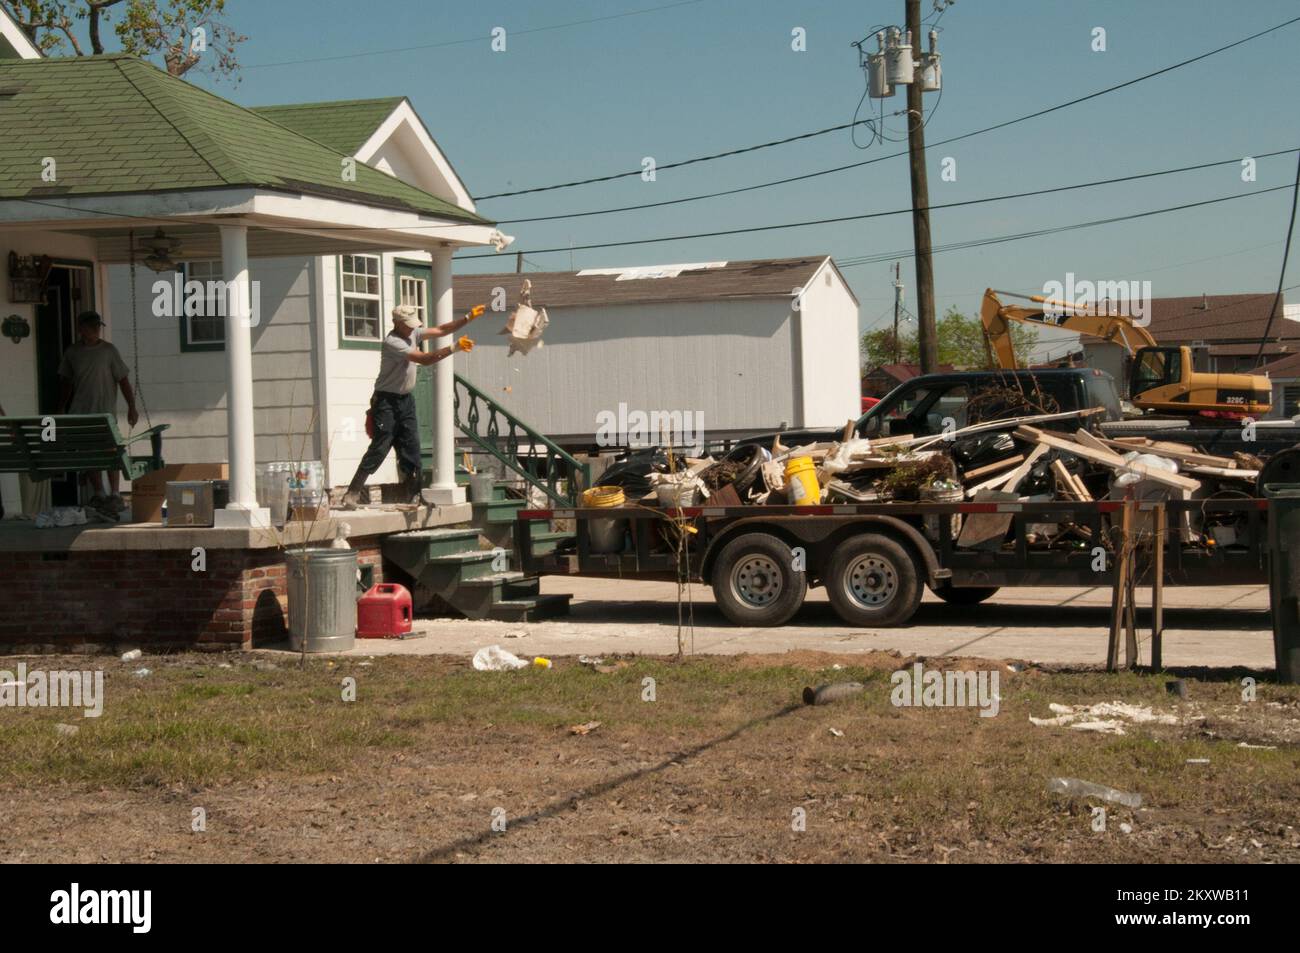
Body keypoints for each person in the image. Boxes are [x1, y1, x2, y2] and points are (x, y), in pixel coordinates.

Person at [342, 303, 483, 508]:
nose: (412, 328)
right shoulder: (393, 342)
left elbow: (442, 330)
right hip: (386, 401)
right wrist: (454, 347)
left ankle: (414, 495)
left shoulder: (413, 333)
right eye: (408, 325)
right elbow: (425, 359)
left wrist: (468, 317)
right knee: (381, 446)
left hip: (405, 400)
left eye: (413, 325)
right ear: (397, 323)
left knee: (412, 447)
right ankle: (352, 492)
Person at [58, 310, 139, 514]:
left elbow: (123, 380)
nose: (95, 330)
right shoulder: (73, 353)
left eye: (97, 326)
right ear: (81, 329)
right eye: (91, 326)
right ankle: (99, 493)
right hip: (81, 411)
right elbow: (66, 382)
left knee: (110, 451)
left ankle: (115, 493)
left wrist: (132, 406)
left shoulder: (109, 351)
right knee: (89, 453)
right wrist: (60, 406)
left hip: (104, 411)